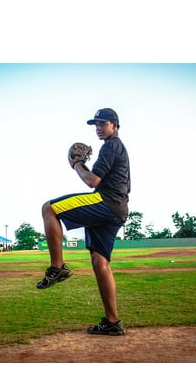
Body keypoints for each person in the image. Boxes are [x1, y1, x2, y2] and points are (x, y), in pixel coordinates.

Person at [37, 108, 130, 336]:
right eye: (95, 124)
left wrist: (77, 163)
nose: (98, 128)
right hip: (117, 209)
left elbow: (92, 181)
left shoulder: (111, 145)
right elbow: (96, 178)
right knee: (100, 263)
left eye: (103, 123)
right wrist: (83, 166)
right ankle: (112, 321)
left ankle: (57, 268)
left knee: (49, 208)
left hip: (106, 202)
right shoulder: (114, 147)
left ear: (115, 125)